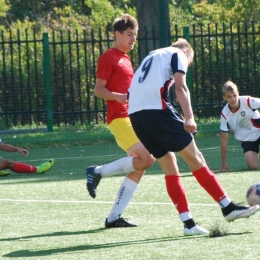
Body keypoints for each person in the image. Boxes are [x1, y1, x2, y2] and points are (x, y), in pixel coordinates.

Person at [127, 38, 259, 236]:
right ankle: (228, 207)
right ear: (187, 51)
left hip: (135, 116)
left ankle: (188, 224)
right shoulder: (178, 53)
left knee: (170, 165)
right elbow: (180, 86)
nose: (188, 64)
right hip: (157, 110)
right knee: (195, 157)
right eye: (190, 62)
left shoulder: (153, 55)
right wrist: (189, 117)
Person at [86, 14, 155, 228]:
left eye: (135, 35)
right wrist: (117, 96)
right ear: (117, 34)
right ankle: (97, 171)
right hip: (118, 118)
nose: (133, 39)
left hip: (131, 118)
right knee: (147, 158)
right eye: (129, 34)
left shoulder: (126, 58)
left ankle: (114, 217)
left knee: (141, 165)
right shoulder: (109, 57)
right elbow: (98, 90)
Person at [218, 80, 260, 172]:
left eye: (234, 95)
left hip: (258, 130)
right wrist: (224, 163)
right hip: (247, 138)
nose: (233, 99)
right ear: (224, 98)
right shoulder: (225, 114)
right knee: (253, 166)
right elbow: (224, 139)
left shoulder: (248, 101)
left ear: (238, 93)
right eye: (229, 97)